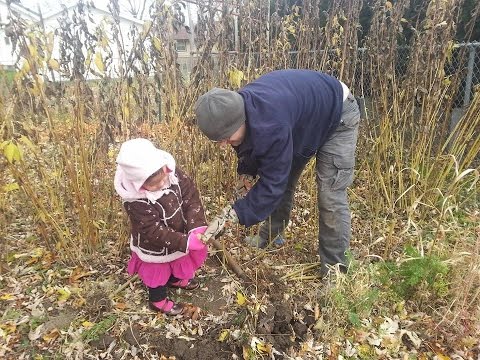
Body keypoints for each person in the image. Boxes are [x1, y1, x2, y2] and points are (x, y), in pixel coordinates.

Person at [195, 69, 361, 277]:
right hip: (302, 122)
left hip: (338, 114)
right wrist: (246, 174)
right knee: (283, 175)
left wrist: (232, 215)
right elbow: (250, 148)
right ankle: (271, 238)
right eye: (217, 140)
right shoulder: (235, 109)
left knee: (330, 196)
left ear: (241, 119)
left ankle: (336, 271)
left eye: (226, 138)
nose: (223, 145)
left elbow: (273, 185)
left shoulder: (271, 124)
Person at [114, 138, 208, 316]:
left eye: (161, 179)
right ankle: (157, 301)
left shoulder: (172, 174)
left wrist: (196, 226)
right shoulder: (136, 202)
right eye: (153, 185)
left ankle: (175, 280)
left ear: (165, 168)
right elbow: (153, 231)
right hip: (154, 245)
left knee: (176, 259)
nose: (160, 185)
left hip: (178, 233)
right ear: (138, 184)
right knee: (157, 271)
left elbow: (190, 197)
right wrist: (185, 242)